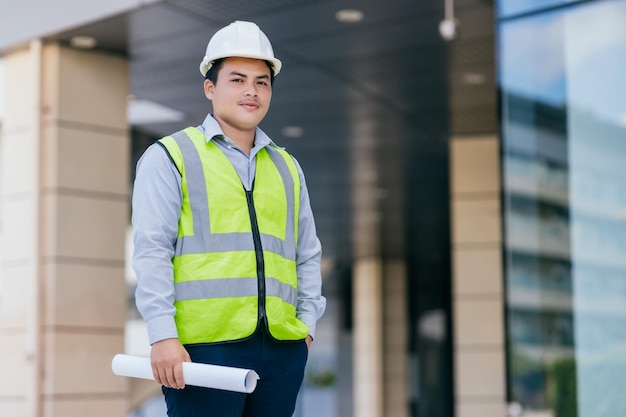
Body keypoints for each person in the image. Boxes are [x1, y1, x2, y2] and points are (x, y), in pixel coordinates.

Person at [131, 20, 326, 417]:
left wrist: (305, 328)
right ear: (210, 87)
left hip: (281, 351)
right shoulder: (171, 156)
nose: (251, 91)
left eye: (262, 81)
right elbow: (152, 252)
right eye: (237, 80)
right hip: (202, 350)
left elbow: (307, 254)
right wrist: (162, 336)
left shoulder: (288, 167)